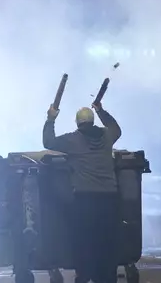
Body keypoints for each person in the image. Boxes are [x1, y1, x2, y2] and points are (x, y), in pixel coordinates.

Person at [43, 101, 121, 283]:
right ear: (93, 121)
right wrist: (101, 110)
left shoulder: (72, 140)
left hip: (85, 199)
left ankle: (85, 276)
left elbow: (48, 142)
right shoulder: (108, 136)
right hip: (110, 198)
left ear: (78, 123)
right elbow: (115, 127)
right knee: (107, 243)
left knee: (85, 242)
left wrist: (50, 119)